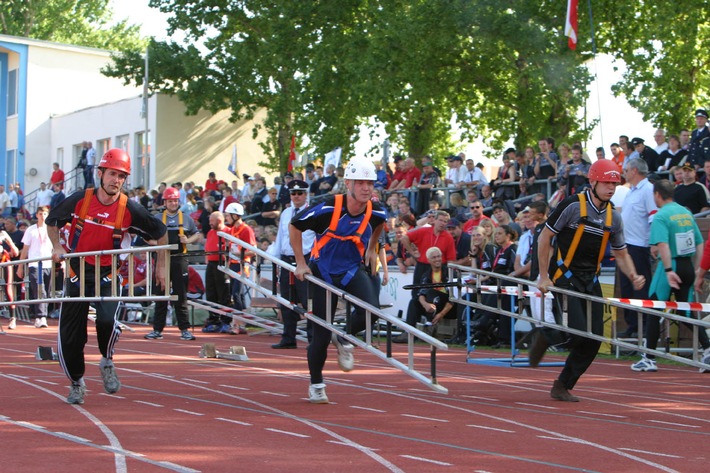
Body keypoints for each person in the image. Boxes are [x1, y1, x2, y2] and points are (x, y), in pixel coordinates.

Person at [46, 149, 168, 405]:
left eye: (122, 176)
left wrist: (161, 267)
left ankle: (107, 360)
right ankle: (77, 382)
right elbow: (52, 220)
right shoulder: (80, 199)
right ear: (100, 173)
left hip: (109, 273)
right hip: (77, 271)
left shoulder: (130, 209)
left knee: (106, 320)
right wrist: (57, 246)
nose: (116, 180)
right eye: (112, 174)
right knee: (71, 335)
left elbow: (161, 232)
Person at [531, 159, 645, 402]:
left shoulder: (614, 217)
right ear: (592, 181)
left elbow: (621, 252)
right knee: (578, 333)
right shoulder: (571, 206)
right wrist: (543, 276)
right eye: (606, 182)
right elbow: (545, 237)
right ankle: (545, 336)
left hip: (590, 281)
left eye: (615, 183)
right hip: (564, 278)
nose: (611, 188)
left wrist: (633, 274)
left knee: (594, 339)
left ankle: (562, 384)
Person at [290, 157, 387, 404]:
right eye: (361, 183)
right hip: (322, 271)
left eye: (370, 183)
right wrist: (300, 262)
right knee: (321, 334)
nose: (366, 188)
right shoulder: (326, 208)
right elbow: (295, 225)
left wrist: (373, 248)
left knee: (372, 310)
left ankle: (344, 338)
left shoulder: (376, 210)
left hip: (351, 268)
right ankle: (317, 384)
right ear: (348, 184)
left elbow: (379, 225)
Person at [631, 180, 710, 372]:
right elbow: (700, 243)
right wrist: (697, 269)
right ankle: (708, 349)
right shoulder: (686, 212)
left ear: (657, 194)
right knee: (686, 312)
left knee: (653, 308)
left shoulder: (661, 216)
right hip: (688, 266)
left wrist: (668, 270)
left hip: (671, 266)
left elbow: (664, 245)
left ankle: (649, 357)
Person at [144, 187, 202, 341]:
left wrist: (187, 240)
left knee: (180, 295)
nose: (173, 203)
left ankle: (184, 329)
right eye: (170, 201)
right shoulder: (157, 218)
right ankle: (157, 329)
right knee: (161, 294)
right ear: (165, 202)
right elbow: (146, 236)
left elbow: (196, 234)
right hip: (162, 259)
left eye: (175, 200)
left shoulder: (186, 218)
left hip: (179, 259)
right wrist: (156, 243)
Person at [268, 179, 315, 349]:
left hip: (306, 259)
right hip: (287, 260)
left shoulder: (312, 212)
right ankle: (288, 337)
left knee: (308, 300)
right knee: (287, 301)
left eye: (300, 193)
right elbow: (281, 237)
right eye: (293, 193)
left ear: (306, 194)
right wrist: (276, 257)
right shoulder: (286, 213)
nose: (296, 196)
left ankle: (313, 339)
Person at [617, 158, 656, 338]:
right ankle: (633, 325)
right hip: (625, 246)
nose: (624, 172)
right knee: (626, 288)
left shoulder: (648, 190)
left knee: (640, 286)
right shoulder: (630, 191)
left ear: (634, 170)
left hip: (639, 246)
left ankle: (646, 327)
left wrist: (653, 243)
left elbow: (653, 217)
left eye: (626, 169)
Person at [393, 247, 454, 343]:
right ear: (429, 260)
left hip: (447, 306)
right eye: (434, 257)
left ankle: (430, 328)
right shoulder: (427, 274)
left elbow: (453, 298)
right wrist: (425, 304)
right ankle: (409, 332)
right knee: (414, 302)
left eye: (438, 256)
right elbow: (421, 293)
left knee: (432, 293)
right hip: (431, 305)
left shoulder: (449, 273)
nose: (437, 259)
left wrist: (441, 314)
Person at [17, 207, 54, 329]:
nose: (42, 216)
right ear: (37, 215)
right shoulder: (31, 230)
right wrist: (20, 266)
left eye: (45, 214)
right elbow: (25, 250)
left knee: (46, 291)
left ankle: (40, 316)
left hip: (48, 264)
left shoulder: (52, 229)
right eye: (40, 214)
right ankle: (41, 316)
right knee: (40, 289)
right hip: (35, 264)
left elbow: (56, 247)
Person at [202, 211, 233, 332]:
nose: (210, 223)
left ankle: (226, 321)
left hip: (223, 264)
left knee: (224, 293)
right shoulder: (210, 232)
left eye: (212, 221)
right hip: (211, 264)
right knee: (211, 293)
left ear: (219, 221)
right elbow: (207, 247)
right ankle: (213, 319)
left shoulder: (228, 232)